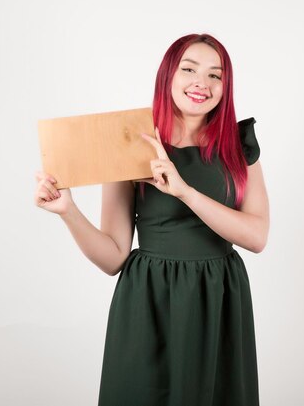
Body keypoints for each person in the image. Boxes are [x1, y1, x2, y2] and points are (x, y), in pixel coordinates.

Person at [33, 33, 269, 406]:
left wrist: (184, 190)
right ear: (167, 76)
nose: (201, 84)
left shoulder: (238, 144)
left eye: (215, 75)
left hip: (218, 295)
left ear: (226, 85)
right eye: (189, 69)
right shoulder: (129, 140)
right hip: (149, 300)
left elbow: (257, 236)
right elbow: (113, 257)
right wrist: (69, 212)